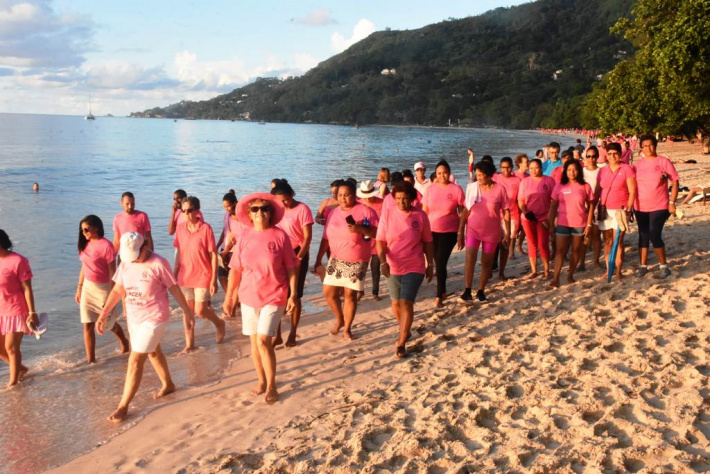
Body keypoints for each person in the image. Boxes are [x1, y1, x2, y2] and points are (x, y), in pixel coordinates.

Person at [97, 232, 191, 422]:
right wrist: (103, 313)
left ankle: (123, 405)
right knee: (153, 351)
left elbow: (173, 287)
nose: (133, 259)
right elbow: (117, 289)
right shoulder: (125, 263)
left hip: (155, 316)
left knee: (135, 359)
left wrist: (187, 311)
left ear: (145, 245)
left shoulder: (159, 263)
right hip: (134, 317)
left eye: (136, 254)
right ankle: (168, 384)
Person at [223, 193, 299, 403]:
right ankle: (261, 381)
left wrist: (293, 294)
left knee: (265, 341)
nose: (260, 213)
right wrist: (229, 298)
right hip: (248, 297)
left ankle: (272, 385)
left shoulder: (280, 236)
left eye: (264, 208)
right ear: (249, 213)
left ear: (271, 212)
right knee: (255, 342)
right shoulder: (244, 236)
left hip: (275, 295)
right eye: (255, 209)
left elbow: (292, 267)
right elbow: (235, 270)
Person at [314, 180, 378, 340]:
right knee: (329, 293)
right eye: (340, 195)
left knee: (350, 295)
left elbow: (377, 233)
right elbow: (325, 238)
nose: (343, 198)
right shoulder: (334, 212)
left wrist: (360, 229)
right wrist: (318, 258)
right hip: (336, 258)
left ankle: (347, 329)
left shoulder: (366, 211)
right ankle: (340, 320)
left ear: (354, 195)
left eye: (346, 194)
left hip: (357, 258)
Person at [377, 182, 434, 357]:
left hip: (414, 264)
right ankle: (405, 329)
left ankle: (402, 342)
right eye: (398, 198)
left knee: (406, 302)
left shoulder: (421, 216)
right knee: (395, 303)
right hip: (392, 264)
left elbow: (427, 241)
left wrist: (430, 264)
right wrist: (382, 261)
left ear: (412, 199)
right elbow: (380, 240)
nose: (402, 201)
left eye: (405, 198)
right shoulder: (387, 214)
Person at [173, 196, 226, 354]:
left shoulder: (206, 229)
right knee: (187, 311)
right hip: (185, 276)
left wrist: (213, 280)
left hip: (203, 274)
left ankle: (219, 324)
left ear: (197, 211)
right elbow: (178, 252)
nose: (187, 214)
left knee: (200, 310)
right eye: (184, 211)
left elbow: (213, 255)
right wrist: (173, 274)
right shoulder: (180, 229)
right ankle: (190, 344)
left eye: (190, 210)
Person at [75, 215, 129, 363]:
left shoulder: (106, 245)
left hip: (104, 288)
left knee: (108, 323)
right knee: (87, 324)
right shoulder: (85, 244)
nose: (84, 232)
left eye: (86, 229)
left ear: (96, 228)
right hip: (88, 287)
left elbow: (113, 271)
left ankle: (124, 342)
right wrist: (79, 287)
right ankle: (91, 360)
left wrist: (112, 294)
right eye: (82, 230)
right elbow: (84, 267)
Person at [458, 162, 511, 302]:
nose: (478, 177)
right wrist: (460, 232)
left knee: (487, 262)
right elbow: (465, 211)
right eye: (477, 174)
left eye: (481, 175)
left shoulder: (500, 189)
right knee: (470, 258)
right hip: (473, 229)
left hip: (491, 232)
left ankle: (481, 291)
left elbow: (506, 212)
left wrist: (507, 234)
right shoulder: (472, 188)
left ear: (489, 175)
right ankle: (467, 290)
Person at [271, 181, 313, 347]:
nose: (283, 204)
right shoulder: (276, 210)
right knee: (279, 294)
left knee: (295, 294)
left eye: (286, 200)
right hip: (278, 254)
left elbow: (308, 237)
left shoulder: (302, 209)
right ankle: (278, 334)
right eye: (279, 201)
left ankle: (293, 333)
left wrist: (300, 258)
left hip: (297, 253)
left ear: (292, 195)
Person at [633, 135, 679, 278]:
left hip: (659, 204)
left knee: (654, 233)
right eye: (645, 145)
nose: (648, 148)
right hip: (639, 205)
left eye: (651, 145)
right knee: (643, 234)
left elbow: (675, 182)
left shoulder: (663, 162)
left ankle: (664, 266)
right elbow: (630, 185)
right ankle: (643, 266)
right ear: (641, 147)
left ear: (655, 146)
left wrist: (672, 203)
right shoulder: (637, 165)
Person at [421, 159, 465, 308]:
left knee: (440, 262)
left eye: (445, 173)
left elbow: (462, 211)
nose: (442, 175)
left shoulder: (456, 189)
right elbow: (424, 211)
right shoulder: (430, 189)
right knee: (438, 262)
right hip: (431, 231)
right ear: (436, 174)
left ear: (449, 173)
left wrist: (461, 233)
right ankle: (444, 289)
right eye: (439, 173)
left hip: (449, 231)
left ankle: (439, 295)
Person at [547, 160, 595, 288]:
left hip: (579, 224)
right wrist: (551, 224)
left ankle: (570, 275)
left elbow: (591, 206)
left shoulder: (585, 186)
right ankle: (556, 278)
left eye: (574, 169)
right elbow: (553, 207)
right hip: (563, 223)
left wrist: (589, 224)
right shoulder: (559, 186)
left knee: (575, 250)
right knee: (560, 251)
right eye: (569, 170)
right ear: (565, 171)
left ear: (579, 171)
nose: (572, 172)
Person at [0, 229, 38, 387]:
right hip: (1, 310)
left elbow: (27, 288)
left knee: (11, 348)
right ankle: (21, 369)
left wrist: (32, 312)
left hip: (16, 310)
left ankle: (13, 384)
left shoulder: (19, 261)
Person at [596, 143, 637, 280]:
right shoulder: (602, 171)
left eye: (615, 153)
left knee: (618, 241)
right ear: (606, 155)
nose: (612, 156)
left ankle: (618, 271)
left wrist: (629, 209)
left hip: (620, 210)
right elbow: (598, 190)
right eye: (609, 154)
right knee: (607, 241)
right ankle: (609, 269)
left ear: (620, 154)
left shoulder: (626, 169)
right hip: (604, 209)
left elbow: (632, 191)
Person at [518, 158, 556, 278]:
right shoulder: (525, 182)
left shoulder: (549, 181)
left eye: (536, 168)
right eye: (531, 168)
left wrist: (551, 218)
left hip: (544, 217)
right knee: (531, 243)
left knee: (543, 243)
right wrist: (525, 211)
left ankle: (546, 270)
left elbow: (554, 200)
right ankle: (534, 271)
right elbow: (521, 200)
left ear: (541, 168)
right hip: (528, 217)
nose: (534, 170)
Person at [357, 180, 384, 301]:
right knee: (361, 267)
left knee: (375, 267)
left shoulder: (383, 203)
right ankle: (360, 290)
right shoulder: (358, 204)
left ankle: (375, 292)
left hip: (378, 239)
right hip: (363, 241)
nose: (367, 198)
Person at [493, 157, 522, 273]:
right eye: (503, 167)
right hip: (496, 215)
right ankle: (494, 264)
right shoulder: (495, 178)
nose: (506, 170)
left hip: (513, 214)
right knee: (496, 242)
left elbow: (520, 199)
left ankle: (502, 270)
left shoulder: (517, 180)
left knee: (506, 242)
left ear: (512, 167)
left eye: (508, 167)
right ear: (500, 167)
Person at [579, 146, 602, 271]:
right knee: (584, 236)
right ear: (585, 157)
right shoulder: (581, 172)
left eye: (593, 156)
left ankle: (596, 261)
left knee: (596, 235)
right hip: (583, 208)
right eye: (588, 156)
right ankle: (581, 263)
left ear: (597, 157)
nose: (591, 159)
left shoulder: (601, 172)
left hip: (598, 206)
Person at [216, 190, 238, 294]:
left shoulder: (240, 217)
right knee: (221, 276)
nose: (226, 209)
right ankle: (229, 297)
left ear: (235, 203)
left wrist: (227, 250)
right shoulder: (226, 214)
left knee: (235, 277)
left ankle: (234, 300)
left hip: (234, 250)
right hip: (225, 248)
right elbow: (224, 231)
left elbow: (238, 235)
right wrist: (217, 245)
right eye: (224, 207)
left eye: (228, 206)